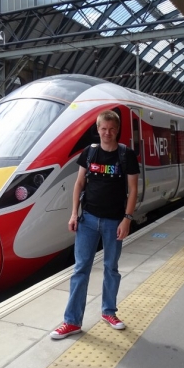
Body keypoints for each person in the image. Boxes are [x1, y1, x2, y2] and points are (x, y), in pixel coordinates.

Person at [50, 110, 140, 339]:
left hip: (113, 222)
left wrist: (127, 220)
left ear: (117, 130)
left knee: (111, 268)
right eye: (103, 129)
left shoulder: (126, 155)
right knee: (80, 269)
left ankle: (109, 312)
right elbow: (79, 184)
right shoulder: (89, 154)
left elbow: (133, 191)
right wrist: (73, 214)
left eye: (111, 129)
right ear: (98, 129)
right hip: (87, 220)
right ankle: (72, 322)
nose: (107, 133)